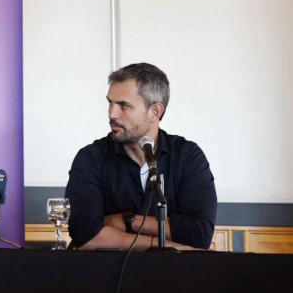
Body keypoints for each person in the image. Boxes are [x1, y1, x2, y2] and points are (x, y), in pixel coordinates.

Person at [64, 62, 217, 251]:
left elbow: (199, 233)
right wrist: (168, 247)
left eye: (124, 106)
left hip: (175, 278)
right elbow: (85, 235)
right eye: (110, 103)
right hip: (107, 277)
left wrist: (128, 221)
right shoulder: (91, 158)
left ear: (155, 112)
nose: (112, 114)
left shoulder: (187, 156)